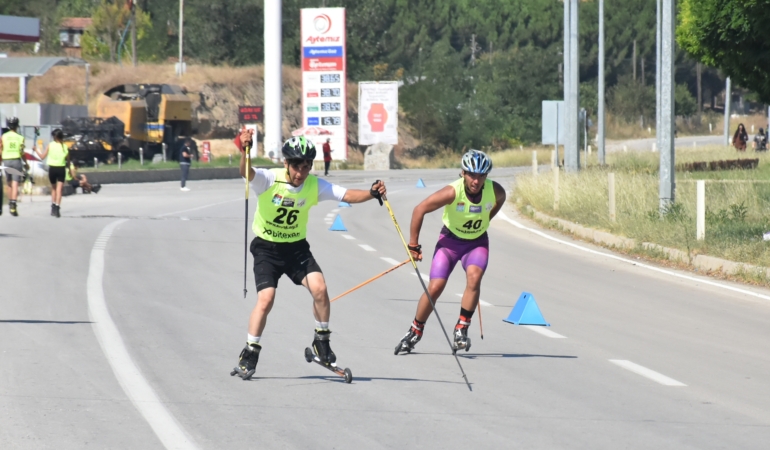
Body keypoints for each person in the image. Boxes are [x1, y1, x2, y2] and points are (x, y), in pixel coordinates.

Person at [232, 129, 387, 380]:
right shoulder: (270, 179)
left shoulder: (314, 185)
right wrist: (244, 151)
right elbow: (245, 172)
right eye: (296, 167)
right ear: (286, 163)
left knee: (320, 289)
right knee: (266, 299)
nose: (301, 173)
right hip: (267, 248)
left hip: (296, 248)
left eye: (306, 167)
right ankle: (249, 353)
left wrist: (371, 193)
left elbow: (345, 195)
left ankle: (321, 342)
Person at [395, 149, 506, 355]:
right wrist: (413, 245)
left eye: (481, 175)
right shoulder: (452, 192)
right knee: (436, 287)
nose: (476, 180)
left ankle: (461, 329)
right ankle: (415, 330)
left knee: (474, 278)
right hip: (450, 243)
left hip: (476, 243)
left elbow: (501, 199)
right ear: (463, 173)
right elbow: (419, 209)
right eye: (472, 175)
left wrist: (486, 219)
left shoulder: (495, 190)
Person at [34, 128, 69, 217]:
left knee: (54, 188)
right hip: (61, 169)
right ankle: (57, 207)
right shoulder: (65, 146)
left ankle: (53, 206)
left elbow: (42, 157)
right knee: (59, 189)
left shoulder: (50, 145)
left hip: (52, 169)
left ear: (55, 137)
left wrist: (36, 150)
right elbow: (68, 159)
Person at [0, 117, 26, 216]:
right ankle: (13, 204)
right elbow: (22, 152)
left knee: (9, 183)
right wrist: (26, 163)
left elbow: (1, 149)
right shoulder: (20, 137)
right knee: (15, 183)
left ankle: (10, 201)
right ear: (17, 126)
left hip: (6, 161)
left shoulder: (3, 136)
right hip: (16, 160)